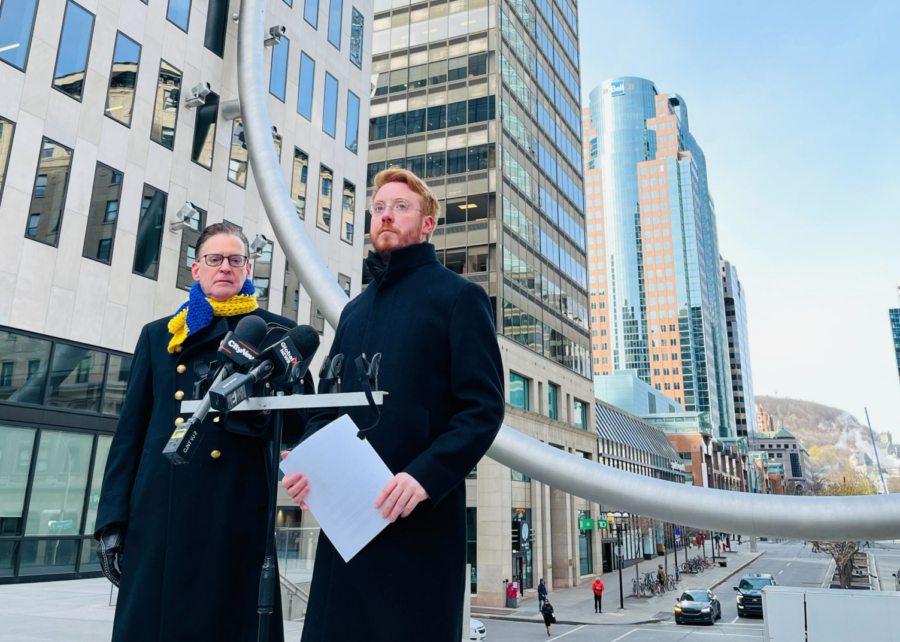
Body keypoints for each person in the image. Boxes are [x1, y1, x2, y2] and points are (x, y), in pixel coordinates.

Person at [281, 168, 505, 641]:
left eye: (400, 207)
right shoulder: (353, 311)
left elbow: (483, 409)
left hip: (418, 527)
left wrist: (424, 477)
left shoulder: (461, 297)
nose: (386, 215)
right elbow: (327, 404)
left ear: (427, 225)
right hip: (345, 531)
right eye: (379, 208)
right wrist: (309, 466)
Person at [93, 223, 312, 642]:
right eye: (215, 259)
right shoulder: (161, 334)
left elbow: (298, 425)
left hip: (237, 507)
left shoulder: (276, 333)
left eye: (235, 260)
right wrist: (112, 522)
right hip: (161, 510)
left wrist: (282, 382)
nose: (224, 268)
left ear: (249, 269)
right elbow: (130, 433)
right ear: (196, 268)